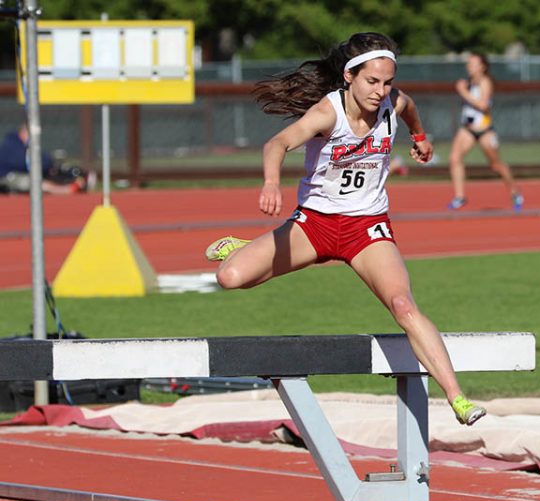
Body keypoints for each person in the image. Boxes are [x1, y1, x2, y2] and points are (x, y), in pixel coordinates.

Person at [203, 32, 486, 426]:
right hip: (315, 225)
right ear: (350, 76)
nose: (381, 91)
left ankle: (457, 398)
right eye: (372, 82)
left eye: (387, 82)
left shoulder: (393, 102)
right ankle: (247, 247)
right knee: (230, 277)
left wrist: (419, 137)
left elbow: (409, 108)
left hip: (366, 228)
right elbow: (278, 144)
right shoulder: (327, 113)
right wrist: (271, 182)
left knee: (403, 305)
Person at [447, 52, 523, 212]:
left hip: (484, 130)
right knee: (454, 158)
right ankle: (460, 196)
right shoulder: (468, 82)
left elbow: (483, 106)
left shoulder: (485, 82)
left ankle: (515, 193)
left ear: (482, 66)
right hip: (468, 128)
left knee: (496, 166)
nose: (469, 66)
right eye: (468, 63)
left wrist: (463, 92)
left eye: (473, 63)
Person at [0, 123, 90, 194]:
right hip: (7, 177)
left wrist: (49, 164)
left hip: (20, 174)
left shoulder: (24, 146)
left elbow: (40, 159)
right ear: (23, 132)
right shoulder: (11, 145)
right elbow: (25, 163)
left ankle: (76, 182)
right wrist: (46, 164)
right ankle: (65, 189)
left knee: (50, 174)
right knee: (38, 182)